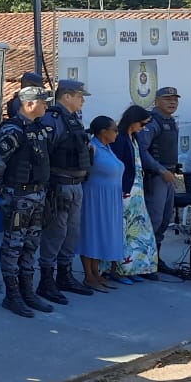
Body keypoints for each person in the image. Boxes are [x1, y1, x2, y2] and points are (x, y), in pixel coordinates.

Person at [0, 85, 53, 317]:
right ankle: (12, 295)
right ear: (28, 104)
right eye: (42, 101)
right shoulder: (12, 131)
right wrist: (3, 189)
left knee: (31, 243)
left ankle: (28, 292)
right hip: (18, 196)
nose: (46, 105)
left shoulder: (39, 129)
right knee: (13, 245)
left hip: (37, 194)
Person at [37, 80, 95, 303]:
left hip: (76, 184)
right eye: (80, 96)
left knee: (72, 233)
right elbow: (43, 155)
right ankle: (46, 280)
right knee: (55, 233)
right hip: (58, 185)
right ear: (67, 96)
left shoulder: (74, 120)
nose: (82, 100)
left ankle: (65, 275)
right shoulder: (52, 120)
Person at [111, 104, 158, 283]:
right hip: (125, 190)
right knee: (124, 231)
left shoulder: (134, 138)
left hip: (137, 191)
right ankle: (118, 270)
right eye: (142, 123)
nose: (143, 128)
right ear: (133, 122)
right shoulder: (120, 139)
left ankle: (134, 268)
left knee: (138, 232)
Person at [78, 116, 127, 292]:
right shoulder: (92, 148)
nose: (117, 132)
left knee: (102, 233)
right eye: (114, 129)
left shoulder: (108, 148)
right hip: (94, 198)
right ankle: (88, 276)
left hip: (110, 199)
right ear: (103, 132)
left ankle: (96, 273)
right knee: (91, 233)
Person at [136, 86, 182, 270]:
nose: (172, 102)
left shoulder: (170, 121)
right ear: (156, 102)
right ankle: (144, 262)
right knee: (153, 220)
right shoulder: (151, 121)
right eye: (167, 99)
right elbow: (142, 150)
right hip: (155, 177)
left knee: (164, 220)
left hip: (168, 175)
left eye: (175, 99)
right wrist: (160, 170)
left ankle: (156, 259)